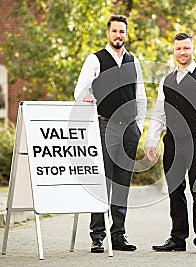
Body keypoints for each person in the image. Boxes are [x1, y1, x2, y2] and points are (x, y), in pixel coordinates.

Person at [74, 15, 146, 253]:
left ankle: (119, 235)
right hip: (105, 126)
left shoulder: (133, 61)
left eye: (122, 32)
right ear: (108, 33)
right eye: (114, 31)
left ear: (126, 34)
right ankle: (97, 236)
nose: (118, 35)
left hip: (129, 129)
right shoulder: (96, 59)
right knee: (102, 182)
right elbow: (79, 90)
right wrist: (86, 98)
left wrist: (140, 126)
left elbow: (141, 94)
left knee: (123, 183)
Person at [145, 33, 196, 254]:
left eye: (186, 48)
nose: (182, 52)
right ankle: (177, 238)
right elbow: (159, 113)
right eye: (178, 49)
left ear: (193, 49)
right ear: (174, 51)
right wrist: (151, 140)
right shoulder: (166, 81)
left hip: (195, 141)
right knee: (175, 191)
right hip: (172, 143)